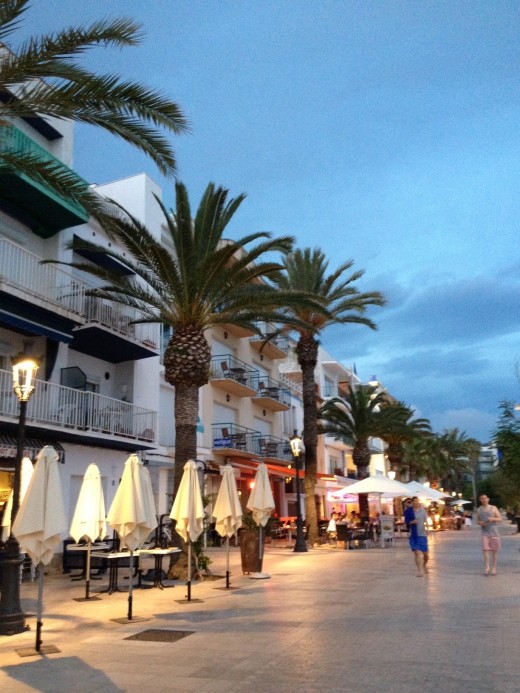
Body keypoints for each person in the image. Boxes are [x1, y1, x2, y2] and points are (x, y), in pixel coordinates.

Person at [475, 493, 501, 575]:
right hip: (485, 532)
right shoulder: (479, 510)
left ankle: (494, 568)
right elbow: (477, 520)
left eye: (485, 498)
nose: (484, 500)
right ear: (480, 500)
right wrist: (480, 523)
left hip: (494, 532)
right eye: (482, 498)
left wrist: (493, 518)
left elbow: (500, 518)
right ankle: (487, 567)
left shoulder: (493, 508)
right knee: (485, 550)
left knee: (494, 551)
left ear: (488, 499)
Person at [404, 496, 429, 576]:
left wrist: (428, 529)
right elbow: (407, 523)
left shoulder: (423, 510)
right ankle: (420, 570)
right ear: (412, 502)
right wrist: (412, 522)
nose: (416, 502)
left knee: (426, 555)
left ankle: (424, 565)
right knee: (417, 553)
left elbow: (426, 521)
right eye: (414, 501)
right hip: (414, 535)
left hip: (422, 534)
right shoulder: (409, 511)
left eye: (417, 501)